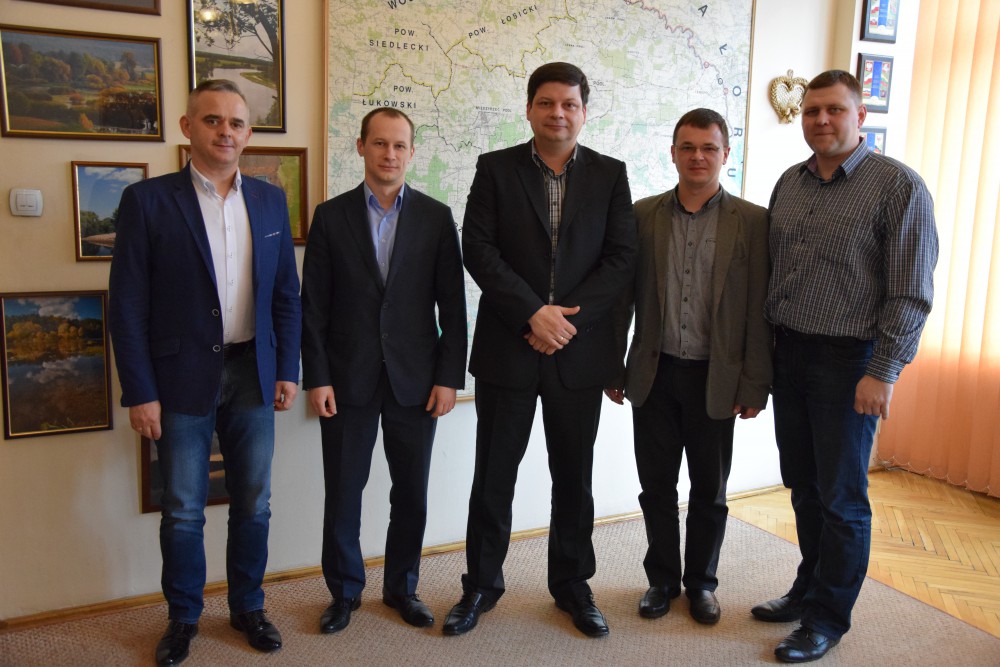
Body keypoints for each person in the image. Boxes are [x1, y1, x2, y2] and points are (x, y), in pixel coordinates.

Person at [109, 79, 302, 666]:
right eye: (212, 120)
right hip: (178, 378)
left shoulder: (268, 200)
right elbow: (127, 305)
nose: (225, 131)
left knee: (255, 502)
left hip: (252, 371)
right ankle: (183, 617)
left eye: (236, 123)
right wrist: (140, 391)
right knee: (183, 508)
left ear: (249, 133)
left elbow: (285, 295)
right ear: (187, 126)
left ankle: (248, 607)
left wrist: (287, 367)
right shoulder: (148, 201)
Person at [442, 62, 637, 639]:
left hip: (578, 353)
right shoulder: (495, 168)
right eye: (547, 103)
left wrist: (563, 323)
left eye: (569, 104)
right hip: (510, 346)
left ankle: (573, 586)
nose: (558, 113)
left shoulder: (610, 174)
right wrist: (533, 312)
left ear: (584, 112)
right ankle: (480, 585)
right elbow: (478, 248)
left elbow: (621, 259)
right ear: (529, 109)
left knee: (573, 478)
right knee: (493, 476)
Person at [756, 70, 938, 663]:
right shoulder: (790, 183)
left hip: (850, 362)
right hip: (789, 354)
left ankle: (827, 619)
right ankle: (808, 589)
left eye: (834, 109)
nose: (821, 120)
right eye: (812, 111)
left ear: (860, 116)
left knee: (842, 499)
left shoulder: (898, 187)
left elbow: (910, 293)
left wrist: (883, 371)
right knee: (804, 487)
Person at [301, 107, 467, 635]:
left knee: (410, 494)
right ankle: (344, 592)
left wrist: (449, 378)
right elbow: (313, 308)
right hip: (346, 380)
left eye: (399, 145)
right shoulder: (330, 217)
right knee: (343, 492)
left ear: (411, 152)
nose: (389, 154)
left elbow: (454, 307)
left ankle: (401, 589)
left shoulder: (436, 218)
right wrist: (317, 377)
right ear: (361, 147)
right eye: (379, 143)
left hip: (416, 382)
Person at [605, 108, 771, 626]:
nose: (698, 156)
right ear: (673, 153)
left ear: (725, 154)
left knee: (709, 492)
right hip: (654, 375)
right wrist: (613, 366)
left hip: (716, 379)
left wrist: (754, 384)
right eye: (688, 147)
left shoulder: (753, 221)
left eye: (709, 148)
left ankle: (701, 583)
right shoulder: (642, 216)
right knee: (656, 488)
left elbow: (758, 310)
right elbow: (620, 300)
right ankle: (661, 580)